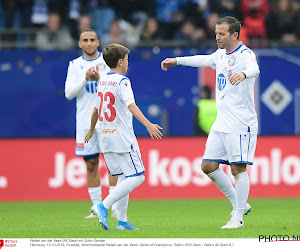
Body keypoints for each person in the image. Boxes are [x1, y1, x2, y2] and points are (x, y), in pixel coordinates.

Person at [161, 16, 260, 229]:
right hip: (221, 122)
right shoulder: (220, 55)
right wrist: (176, 60)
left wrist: (243, 74)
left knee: (238, 169)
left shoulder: (245, 55)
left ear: (234, 35)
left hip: (241, 122)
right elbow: (202, 60)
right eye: (216, 33)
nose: (217, 37)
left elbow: (255, 69)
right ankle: (240, 204)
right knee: (208, 166)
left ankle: (238, 218)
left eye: (222, 33)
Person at [85, 43, 163, 230]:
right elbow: (131, 105)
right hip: (122, 137)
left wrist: (90, 130)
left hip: (105, 136)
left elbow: (96, 109)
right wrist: (148, 124)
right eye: (127, 59)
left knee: (123, 177)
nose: (128, 63)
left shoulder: (102, 81)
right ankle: (103, 206)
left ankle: (122, 221)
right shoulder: (122, 82)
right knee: (138, 177)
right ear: (121, 62)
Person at [65, 29, 118, 219]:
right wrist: (85, 79)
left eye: (92, 40)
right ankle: (97, 208)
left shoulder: (107, 62)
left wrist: (100, 79)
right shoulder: (74, 65)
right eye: (85, 40)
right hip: (85, 122)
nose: (89, 43)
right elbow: (69, 93)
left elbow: (117, 86)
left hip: (107, 121)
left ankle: (115, 208)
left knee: (113, 163)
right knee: (91, 164)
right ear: (79, 44)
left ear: (98, 42)